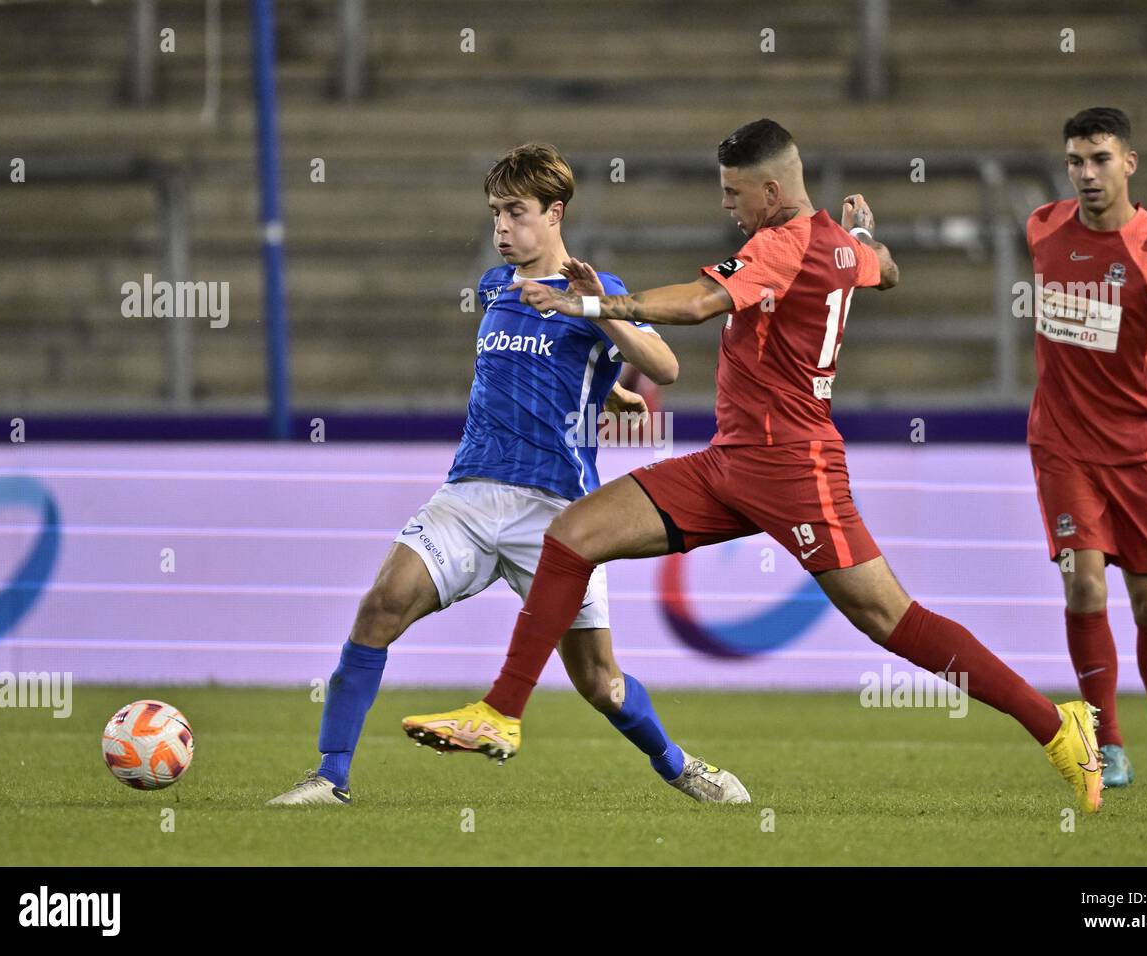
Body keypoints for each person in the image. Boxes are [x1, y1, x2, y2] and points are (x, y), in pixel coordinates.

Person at [405, 120, 1105, 815]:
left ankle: (1055, 724)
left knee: (890, 619)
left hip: (795, 468)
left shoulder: (779, 246)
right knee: (572, 537)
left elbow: (700, 303)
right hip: (731, 462)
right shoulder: (833, 242)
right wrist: (865, 240)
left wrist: (588, 302)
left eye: (734, 193)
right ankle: (502, 710)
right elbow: (885, 270)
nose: (725, 206)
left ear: (772, 190)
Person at [270, 143, 748, 806]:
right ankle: (330, 777)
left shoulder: (594, 287)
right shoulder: (496, 287)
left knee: (601, 684)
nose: (501, 227)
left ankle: (678, 766)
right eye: (495, 212)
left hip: (556, 514)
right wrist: (605, 393)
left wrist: (600, 313)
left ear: (554, 214)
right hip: (469, 492)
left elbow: (665, 368)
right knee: (379, 606)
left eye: (515, 212)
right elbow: (534, 366)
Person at [1026, 107, 1147, 789]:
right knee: (1082, 584)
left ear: (1129, 162)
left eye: (1100, 159)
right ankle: (1108, 741)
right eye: (1076, 160)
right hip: (1061, 445)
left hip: (1135, 450)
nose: (1086, 174)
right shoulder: (1043, 228)